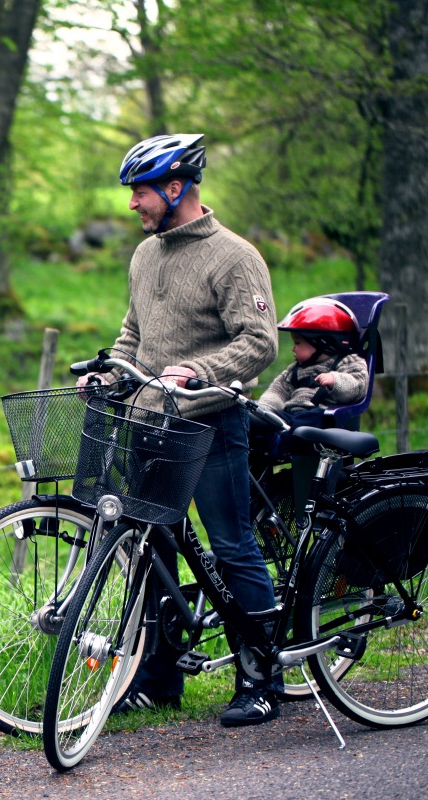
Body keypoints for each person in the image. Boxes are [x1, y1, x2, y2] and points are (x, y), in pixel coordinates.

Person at [80, 132, 283, 727]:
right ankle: (158, 680)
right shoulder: (145, 255)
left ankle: (261, 677)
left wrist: (202, 370)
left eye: (139, 192)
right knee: (154, 552)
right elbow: (134, 335)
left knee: (231, 546)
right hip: (152, 425)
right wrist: (112, 372)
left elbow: (259, 341)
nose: (132, 205)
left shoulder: (234, 256)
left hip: (213, 424)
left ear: (176, 188)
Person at [258, 297, 369, 421]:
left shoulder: (347, 361)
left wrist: (335, 381)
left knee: (308, 419)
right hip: (291, 416)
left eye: (298, 343)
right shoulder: (295, 369)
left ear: (322, 343)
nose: (293, 348)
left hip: (322, 417)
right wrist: (263, 409)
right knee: (264, 427)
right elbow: (277, 391)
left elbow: (359, 385)